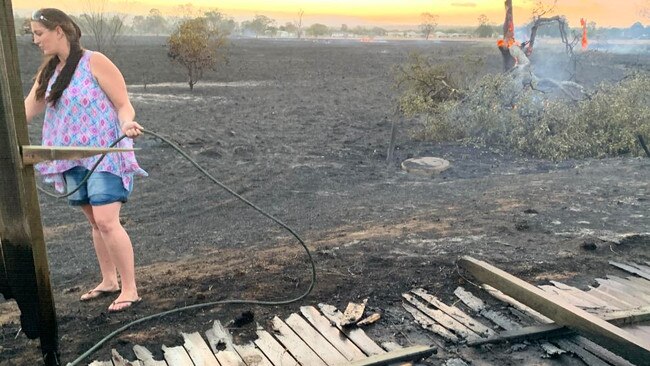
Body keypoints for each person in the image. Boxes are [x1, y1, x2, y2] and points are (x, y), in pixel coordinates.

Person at [24, 8, 147, 312]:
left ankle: (130, 288)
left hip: (104, 154)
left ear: (58, 31)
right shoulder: (49, 72)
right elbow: (25, 110)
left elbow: (123, 104)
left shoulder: (95, 61)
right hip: (70, 158)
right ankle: (109, 280)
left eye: (39, 33)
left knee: (107, 220)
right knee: (95, 222)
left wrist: (126, 125)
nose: (36, 40)